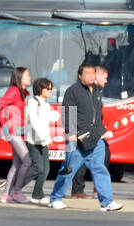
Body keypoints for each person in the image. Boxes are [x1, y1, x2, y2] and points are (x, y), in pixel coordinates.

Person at [49, 63, 122, 211]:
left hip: (96, 139)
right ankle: (55, 198)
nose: (90, 76)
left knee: (100, 168)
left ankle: (107, 202)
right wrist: (70, 133)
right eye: (87, 73)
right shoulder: (73, 91)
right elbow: (68, 112)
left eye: (92, 73)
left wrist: (102, 131)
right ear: (80, 76)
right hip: (77, 139)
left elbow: (97, 116)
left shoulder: (97, 91)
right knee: (68, 169)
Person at [71, 65, 114, 197]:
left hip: (94, 132)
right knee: (81, 161)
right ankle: (76, 190)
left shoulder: (97, 92)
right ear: (97, 77)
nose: (106, 81)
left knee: (103, 156)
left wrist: (102, 131)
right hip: (84, 131)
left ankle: (98, 188)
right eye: (105, 78)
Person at [0, 66, 33, 203]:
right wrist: (6, 124)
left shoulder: (23, 92)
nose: (29, 78)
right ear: (19, 77)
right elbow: (0, 106)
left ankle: (6, 194)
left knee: (16, 164)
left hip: (20, 131)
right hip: (13, 131)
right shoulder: (13, 91)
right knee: (27, 160)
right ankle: (17, 191)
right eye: (26, 75)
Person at [21, 77, 55, 204]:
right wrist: (45, 137)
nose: (50, 91)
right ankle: (15, 187)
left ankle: (37, 194)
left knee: (45, 169)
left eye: (51, 88)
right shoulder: (33, 102)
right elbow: (34, 122)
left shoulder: (46, 105)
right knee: (38, 167)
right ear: (40, 89)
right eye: (48, 88)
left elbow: (46, 121)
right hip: (33, 141)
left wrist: (54, 117)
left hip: (43, 142)